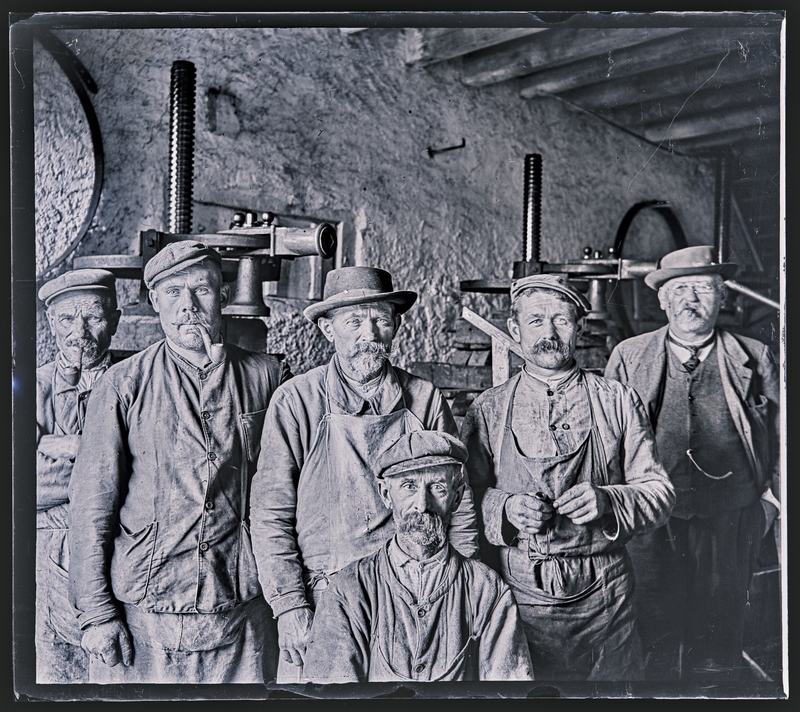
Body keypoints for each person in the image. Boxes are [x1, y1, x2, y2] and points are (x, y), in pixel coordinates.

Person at [68, 241, 290, 683]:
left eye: (202, 290)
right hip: (146, 609)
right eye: (172, 294)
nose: (188, 306)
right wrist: (96, 614)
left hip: (240, 606)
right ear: (154, 303)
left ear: (223, 297)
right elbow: (92, 505)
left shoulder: (267, 376)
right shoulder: (122, 383)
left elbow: (286, 493)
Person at [250, 266, 479, 682]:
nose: (368, 333)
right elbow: (270, 515)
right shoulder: (297, 401)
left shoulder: (422, 399)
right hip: (322, 597)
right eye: (354, 321)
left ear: (395, 326)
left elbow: (458, 504)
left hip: (411, 596)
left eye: (380, 320)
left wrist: (462, 590)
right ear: (326, 329)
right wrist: (289, 606)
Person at [461, 274, 675, 681]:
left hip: (606, 597)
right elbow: (462, 498)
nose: (549, 332)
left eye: (561, 320)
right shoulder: (489, 408)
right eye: (536, 320)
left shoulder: (617, 400)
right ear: (515, 329)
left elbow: (660, 493)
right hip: (518, 596)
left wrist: (611, 501)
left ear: (580, 327)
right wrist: (504, 508)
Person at [604, 245, 780, 682]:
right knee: (653, 632)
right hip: (649, 523)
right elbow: (604, 443)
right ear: (662, 300)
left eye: (702, 288)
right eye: (679, 289)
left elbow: (784, 436)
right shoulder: (629, 356)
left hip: (730, 516)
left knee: (719, 636)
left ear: (723, 297)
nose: (690, 300)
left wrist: (773, 503)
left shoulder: (754, 357)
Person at [303, 430, 533, 683]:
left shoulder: (487, 590)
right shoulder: (349, 589)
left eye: (437, 487)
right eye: (409, 486)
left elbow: (508, 694)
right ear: (386, 494)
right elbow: (332, 698)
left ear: (457, 498)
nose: (422, 505)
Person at [36, 268, 121, 683]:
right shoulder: (30, 388)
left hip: (125, 547)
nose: (80, 332)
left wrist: (70, 446)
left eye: (93, 317)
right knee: (57, 674)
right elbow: (23, 486)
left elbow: (153, 470)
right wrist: (108, 460)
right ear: (52, 324)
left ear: (116, 320)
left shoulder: (134, 380)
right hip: (50, 551)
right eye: (68, 319)